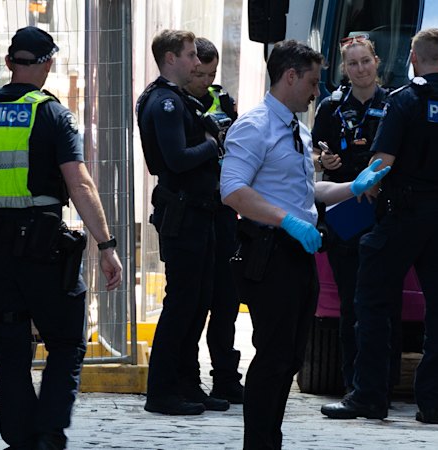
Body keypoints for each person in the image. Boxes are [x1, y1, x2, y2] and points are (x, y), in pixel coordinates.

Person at [0, 26, 123, 450]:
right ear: (48, 63)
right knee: (67, 343)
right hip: (43, 249)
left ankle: (19, 438)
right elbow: (80, 184)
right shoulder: (50, 113)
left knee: (10, 345)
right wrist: (106, 246)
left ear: (8, 63)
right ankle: (48, 433)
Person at [220, 39, 390, 449]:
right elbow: (232, 190)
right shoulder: (255, 125)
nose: (317, 92)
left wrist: (353, 186)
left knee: (292, 358)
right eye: (312, 82)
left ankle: (269, 438)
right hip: (270, 250)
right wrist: (288, 221)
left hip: (300, 252)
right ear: (290, 76)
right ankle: (259, 442)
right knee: (274, 355)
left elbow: (306, 191)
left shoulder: (298, 128)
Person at [321, 27, 438, 424]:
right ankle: (432, 405)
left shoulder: (405, 100)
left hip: (404, 214)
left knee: (373, 304)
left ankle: (369, 397)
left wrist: (366, 187)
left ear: (412, 58)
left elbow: (381, 164)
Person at [136, 29, 228, 416]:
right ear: (171, 59)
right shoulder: (166, 102)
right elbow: (175, 159)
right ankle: (161, 391)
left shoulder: (181, 100)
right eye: (190, 55)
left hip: (199, 212)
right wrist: (214, 142)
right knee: (181, 305)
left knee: (198, 301)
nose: (196, 62)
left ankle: (188, 384)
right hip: (183, 213)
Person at [311, 34, 401, 395]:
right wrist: (325, 160)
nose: (360, 69)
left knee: (385, 301)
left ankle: (384, 384)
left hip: (384, 209)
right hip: (344, 209)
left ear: (377, 62)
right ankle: (353, 384)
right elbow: (314, 155)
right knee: (350, 302)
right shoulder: (330, 107)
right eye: (353, 63)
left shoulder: (396, 104)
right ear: (344, 69)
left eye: (365, 61)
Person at [184, 36, 244, 404]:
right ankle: (187, 377)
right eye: (201, 74)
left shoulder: (224, 101)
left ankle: (225, 376)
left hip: (224, 210)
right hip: (192, 209)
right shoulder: (177, 103)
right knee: (191, 301)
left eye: (212, 73)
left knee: (226, 300)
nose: (206, 80)